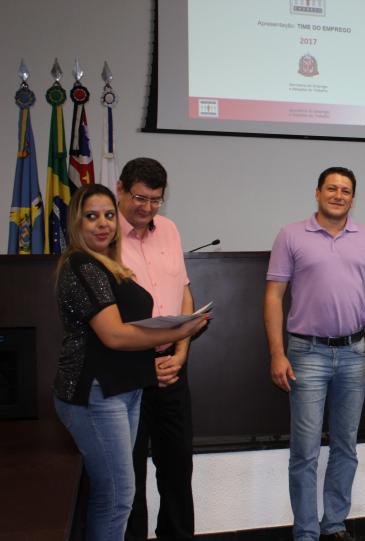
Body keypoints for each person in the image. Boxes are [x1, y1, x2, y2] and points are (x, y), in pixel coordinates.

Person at [53, 184, 207, 541]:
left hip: (126, 387)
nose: (103, 224)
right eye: (91, 216)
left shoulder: (108, 264)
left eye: (108, 215)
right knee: (118, 496)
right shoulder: (82, 265)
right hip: (96, 393)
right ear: (76, 222)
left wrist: (170, 348)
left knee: (120, 493)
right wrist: (180, 330)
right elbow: (114, 336)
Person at [264, 166, 365, 541]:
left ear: (353, 198)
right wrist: (276, 353)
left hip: (355, 352)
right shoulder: (290, 235)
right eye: (332, 188)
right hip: (306, 354)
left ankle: (334, 523)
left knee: (345, 446)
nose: (338, 195)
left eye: (346, 190)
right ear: (317, 193)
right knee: (305, 451)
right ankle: (306, 531)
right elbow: (273, 297)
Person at [119, 158, 197, 541]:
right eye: (139, 198)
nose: (147, 208)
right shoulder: (104, 237)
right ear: (120, 189)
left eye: (155, 200)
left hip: (172, 365)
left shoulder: (169, 229)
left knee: (178, 469)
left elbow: (183, 292)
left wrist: (180, 354)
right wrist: (146, 365)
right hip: (126, 369)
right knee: (129, 475)